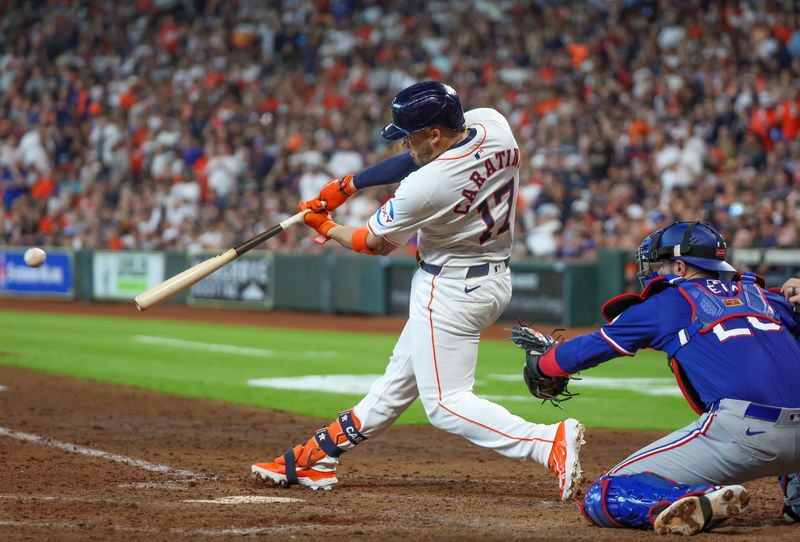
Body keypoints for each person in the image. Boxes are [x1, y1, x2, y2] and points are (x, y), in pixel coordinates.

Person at [251, 81, 585, 501]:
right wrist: (350, 184)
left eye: (412, 136)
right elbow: (414, 162)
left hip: (448, 287)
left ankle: (544, 442)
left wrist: (322, 225)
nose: (406, 145)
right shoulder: (494, 124)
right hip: (492, 279)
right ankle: (319, 456)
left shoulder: (426, 187)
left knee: (446, 405)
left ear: (435, 134)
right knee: (397, 382)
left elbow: (372, 243)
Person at [518, 221, 800, 535]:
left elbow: (594, 347)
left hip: (744, 435)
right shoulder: (767, 297)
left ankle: (696, 500)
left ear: (680, 266)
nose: (653, 273)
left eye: (660, 265)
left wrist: (542, 365)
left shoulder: (670, 301)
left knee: (602, 494)